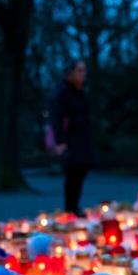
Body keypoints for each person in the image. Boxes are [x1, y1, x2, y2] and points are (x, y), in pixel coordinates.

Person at [49, 60, 92, 215]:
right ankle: (70, 208)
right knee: (72, 175)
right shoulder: (62, 93)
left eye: (84, 70)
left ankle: (74, 206)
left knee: (80, 173)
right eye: (79, 70)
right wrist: (60, 141)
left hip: (81, 140)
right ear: (70, 73)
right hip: (69, 141)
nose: (83, 74)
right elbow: (57, 118)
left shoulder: (81, 93)